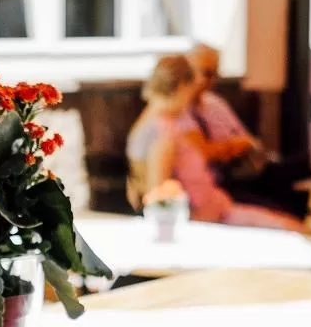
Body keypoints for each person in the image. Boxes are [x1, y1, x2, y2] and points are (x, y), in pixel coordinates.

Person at [128, 55, 301, 230]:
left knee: (288, 223)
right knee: (291, 228)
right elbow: (161, 198)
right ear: (182, 87)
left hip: (215, 211)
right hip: (207, 222)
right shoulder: (164, 133)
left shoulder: (150, 123)